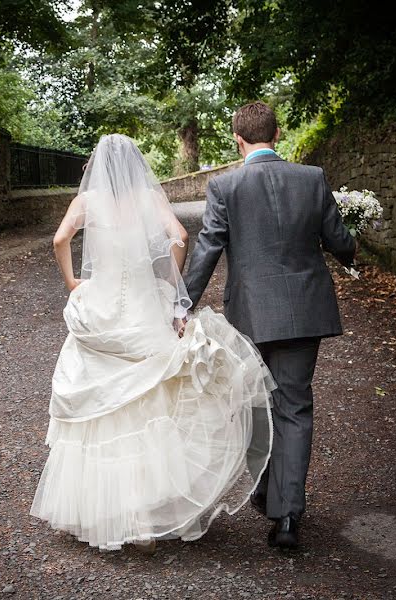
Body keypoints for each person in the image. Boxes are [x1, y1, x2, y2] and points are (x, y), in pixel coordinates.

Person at [30, 133, 275, 552]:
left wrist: (73, 282)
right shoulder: (147, 198)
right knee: (148, 402)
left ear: (99, 165)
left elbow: (59, 240)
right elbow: (179, 235)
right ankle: (147, 516)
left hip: (102, 308)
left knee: (102, 406)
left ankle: (112, 513)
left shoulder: (88, 202)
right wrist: (168, 279)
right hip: (144, 308)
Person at [184, 102, 356, 548]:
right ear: (278, 134)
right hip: (305, 311)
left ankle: (269, 492)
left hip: (252, 315)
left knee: (257, 403)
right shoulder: (312, 179)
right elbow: (339, 240)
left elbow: (207, 248)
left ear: (237, 140)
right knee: (295, 406)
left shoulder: (225, 186)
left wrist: (182, 306)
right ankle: (286, 517)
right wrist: (351, 248)